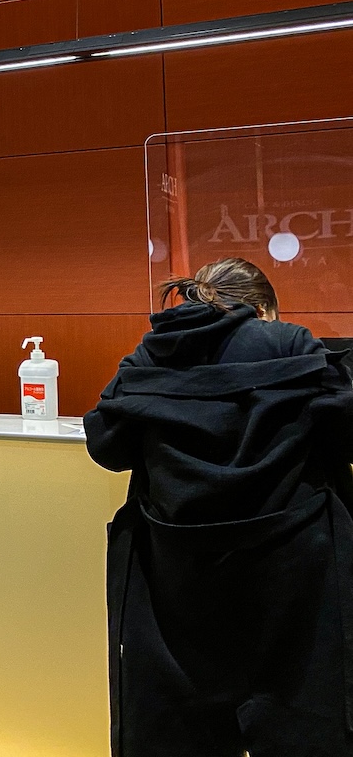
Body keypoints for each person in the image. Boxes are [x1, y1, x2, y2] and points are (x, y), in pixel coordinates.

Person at [84, 257, 353, 756]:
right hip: (296, 581)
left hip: (176, 585)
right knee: (303, 724)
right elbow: (344, 432)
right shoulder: (292, 344)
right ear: (264, 308)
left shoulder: (152, 352)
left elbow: (107, 447)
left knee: (181, 733)